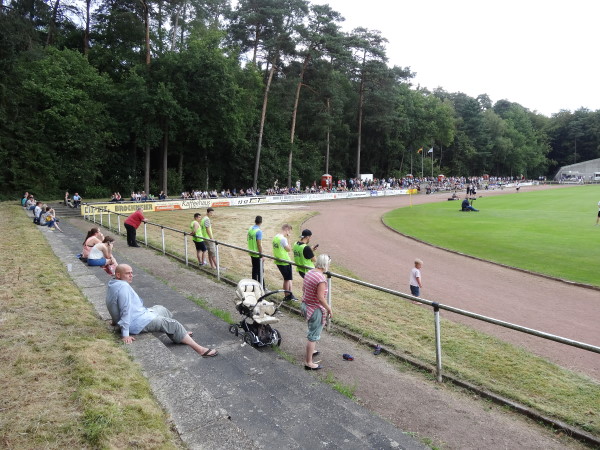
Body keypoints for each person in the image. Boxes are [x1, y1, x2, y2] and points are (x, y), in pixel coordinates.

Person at [106, 264, 218, 357]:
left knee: (162, 309)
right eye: (127, 273)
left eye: (131, 272)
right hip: (136, 322)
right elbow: (125, 310)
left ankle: (180, 334)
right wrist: (125, 335)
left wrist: (115, 321)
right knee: (172, 324)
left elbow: (112, 304)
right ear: (118, 275)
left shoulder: (113, 283)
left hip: (139, 314)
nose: (131, 275)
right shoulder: (123, 288)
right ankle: (201, 350)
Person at [302, 254, 333, 370]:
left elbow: (303, 289)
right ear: (325, 264)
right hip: (315, 309)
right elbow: (320, 298)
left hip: (305, 305)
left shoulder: (309, 273)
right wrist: (329, 308)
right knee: (313, 336)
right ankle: (308, 362)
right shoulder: (321, 279)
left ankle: (311, 350)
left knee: (311, 331)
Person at [272, 224, 297, 300]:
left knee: (288, 279)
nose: (289, 233)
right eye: (289, 231)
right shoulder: (283, 239)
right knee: (287, 279)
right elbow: (288, 249)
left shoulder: (275, 237)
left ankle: (290, 294)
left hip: (279, 260)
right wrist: (288, 238)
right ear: (287, 230)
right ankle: (287, 296)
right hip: (284, 261)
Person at [247, 215, 264, 283]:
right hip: (257, 254)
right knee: (260, 271)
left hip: (251, 251)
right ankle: (262, 286)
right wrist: (261, 255)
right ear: (261, 222)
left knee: (254, 270)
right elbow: (259, 244)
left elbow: (247, 237)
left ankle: (254, 284)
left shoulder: (250, 228)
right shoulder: (259, 231)